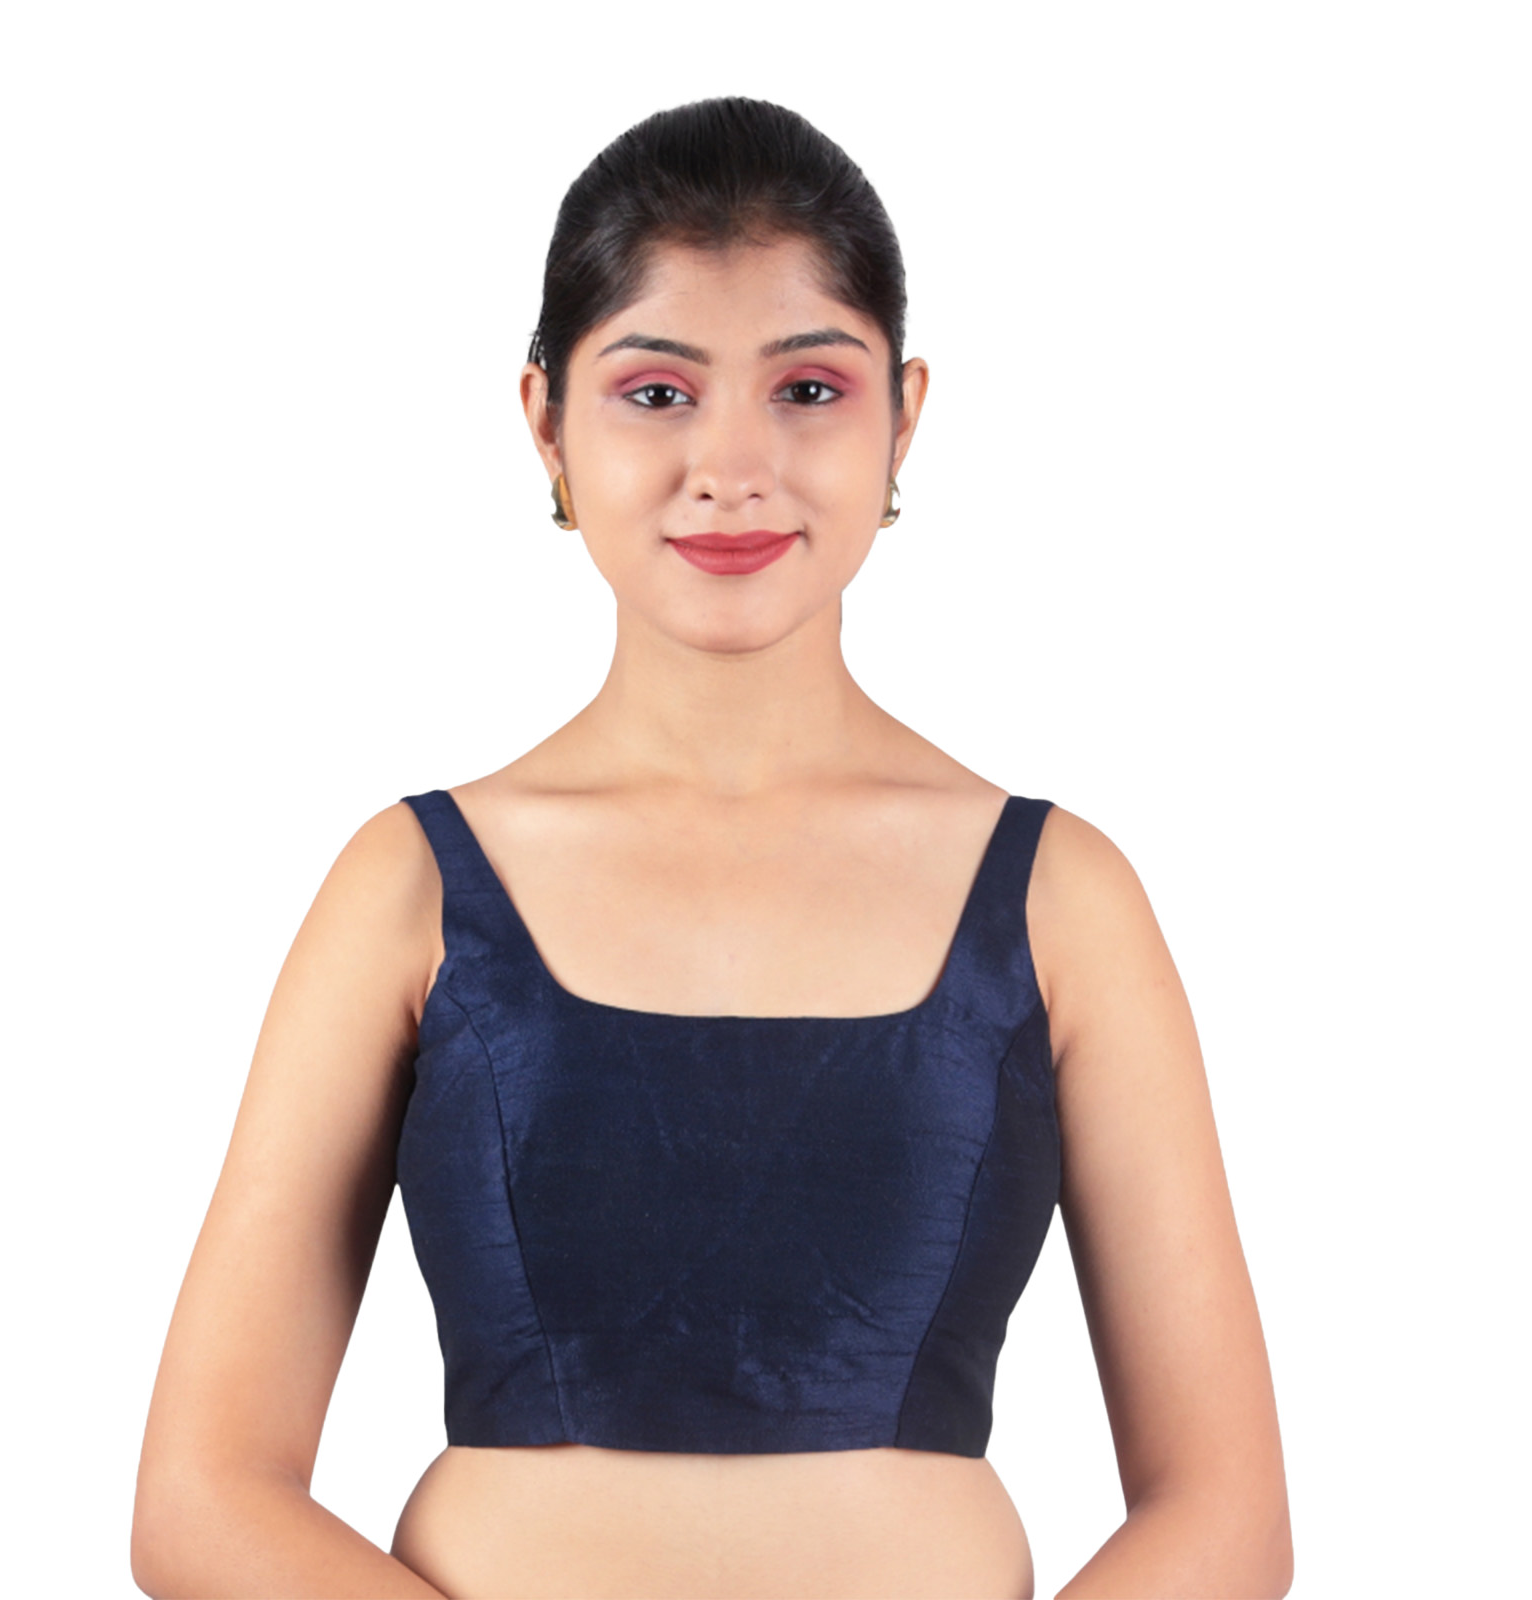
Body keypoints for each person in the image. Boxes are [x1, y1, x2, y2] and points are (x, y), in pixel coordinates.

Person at [131, 97, 1291, 1600]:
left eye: (808, 388)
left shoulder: (1064, 899)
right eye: (657, 392)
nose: (733, 465)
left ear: (904, 418)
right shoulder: (406, 887)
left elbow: (1227, 1517)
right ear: (546, 422)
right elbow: (200, 1502)